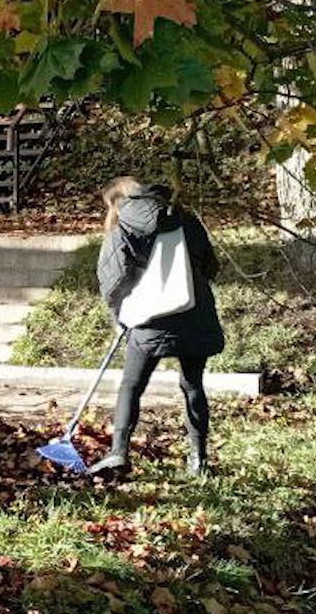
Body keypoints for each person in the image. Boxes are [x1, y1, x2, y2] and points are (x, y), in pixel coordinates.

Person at [91, 177, 225, 477]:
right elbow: (210, 266)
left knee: (131, 386)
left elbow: (114, 281)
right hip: (194, 314)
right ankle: (198, 459)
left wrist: (119, 315)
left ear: (115, 202)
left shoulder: (122, 226)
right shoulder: (186, 219)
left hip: (148, 320)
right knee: (192, 385)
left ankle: (119, 454)